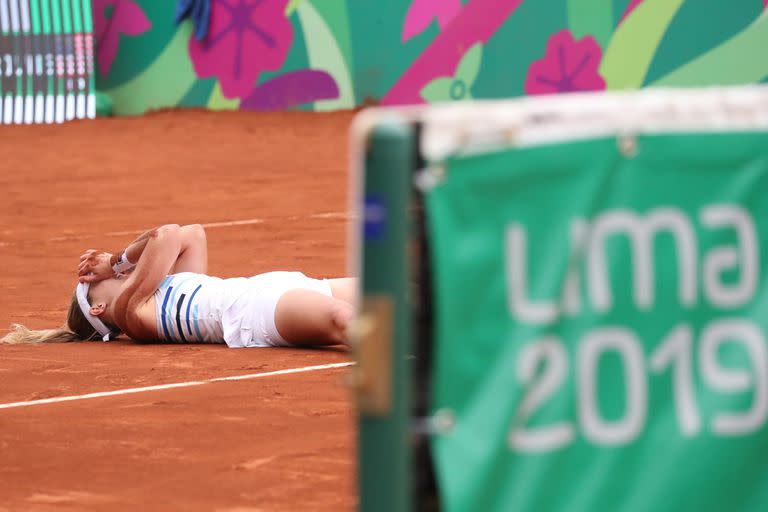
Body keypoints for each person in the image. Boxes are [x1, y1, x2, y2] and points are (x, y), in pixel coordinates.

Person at [1, 224, 356, 348]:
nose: (113, 278)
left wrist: (119, 263)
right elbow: (165, 235)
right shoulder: (131, 314)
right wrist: (114, 263)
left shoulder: (167, 286)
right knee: (344, 318)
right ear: (98, 309)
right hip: (257, 314)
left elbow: (191, 235)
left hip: (276, 285)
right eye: (98, 285)